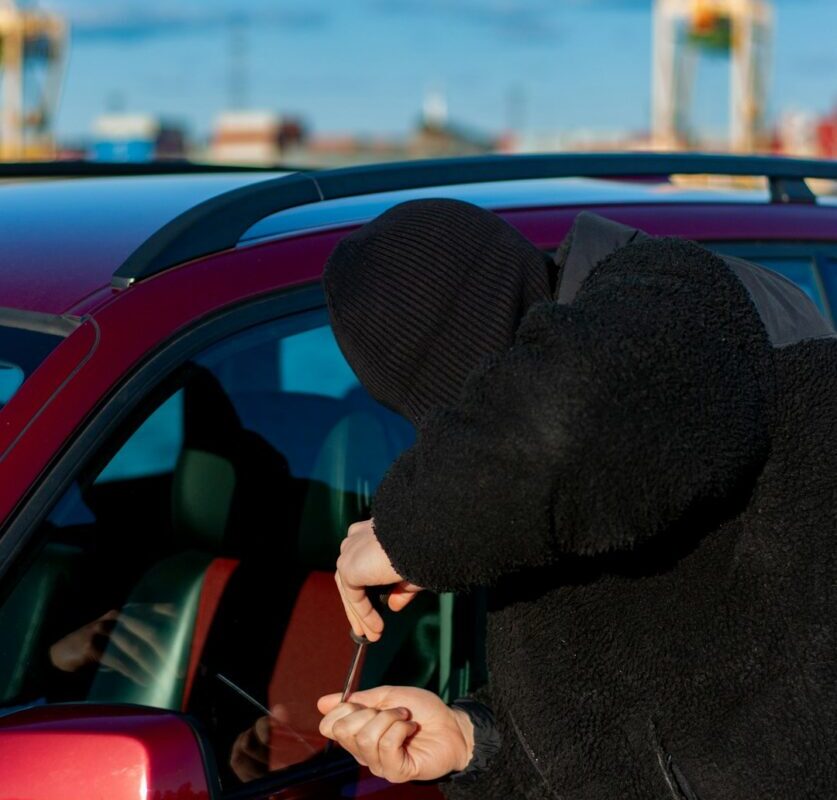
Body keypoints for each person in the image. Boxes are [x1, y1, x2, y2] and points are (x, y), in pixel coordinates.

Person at [317, 199, 837, 799]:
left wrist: (402, 535)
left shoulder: (683, 301)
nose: (455, 439)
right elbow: (617, 709)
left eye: (460, 413)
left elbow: (571, 419)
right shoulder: (546, 499)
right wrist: (474, 741)